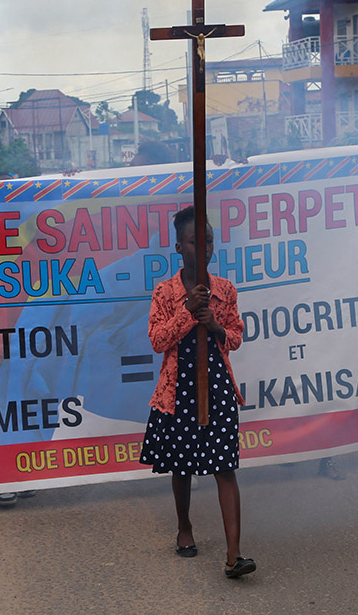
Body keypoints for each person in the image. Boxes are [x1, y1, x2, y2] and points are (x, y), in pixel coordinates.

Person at [139, 206, 256, 579]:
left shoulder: (224, 290)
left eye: (208, 241)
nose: (202, 248)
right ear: (179, 247)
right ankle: (184, 526)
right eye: (194, 242)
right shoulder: (165, 292)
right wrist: (189, 313)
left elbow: (235, 336)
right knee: (181, 466)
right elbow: (158, 341)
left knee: (225, 468)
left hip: (216, 386)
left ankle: (234, 554)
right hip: (179, 390)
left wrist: (217, 329)